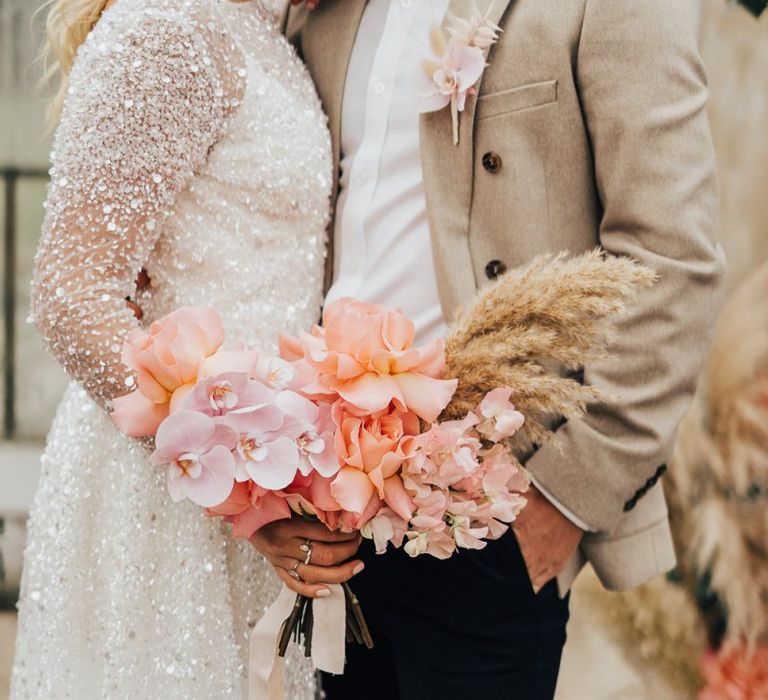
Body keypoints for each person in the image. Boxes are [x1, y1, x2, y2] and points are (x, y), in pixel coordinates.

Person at [253, 0, 727, 697]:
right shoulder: (323, 12)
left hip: (491, 516)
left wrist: (559, 504)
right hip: (334, 514)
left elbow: (673, 262)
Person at [11, 0, 353, 696]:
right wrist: (245, 492)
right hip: (172, 490)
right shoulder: (163, 28)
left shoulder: (269, 33)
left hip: (261, 485)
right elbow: (72, 295)